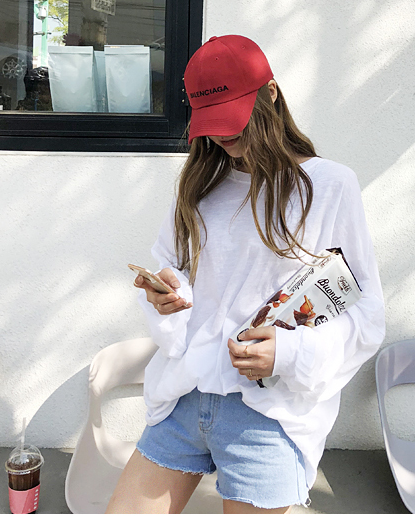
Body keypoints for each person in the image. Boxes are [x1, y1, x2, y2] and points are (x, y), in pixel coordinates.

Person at [107, 33, 386, 516]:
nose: (221, 135)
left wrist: (290, 354)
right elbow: (177, 276)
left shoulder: (329, 186)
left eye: (231, 117)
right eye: (209, 121)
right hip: (183, 397)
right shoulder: (198, 187)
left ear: (270, 93)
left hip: (268, 415)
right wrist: (167, 298)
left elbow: (367, 314)